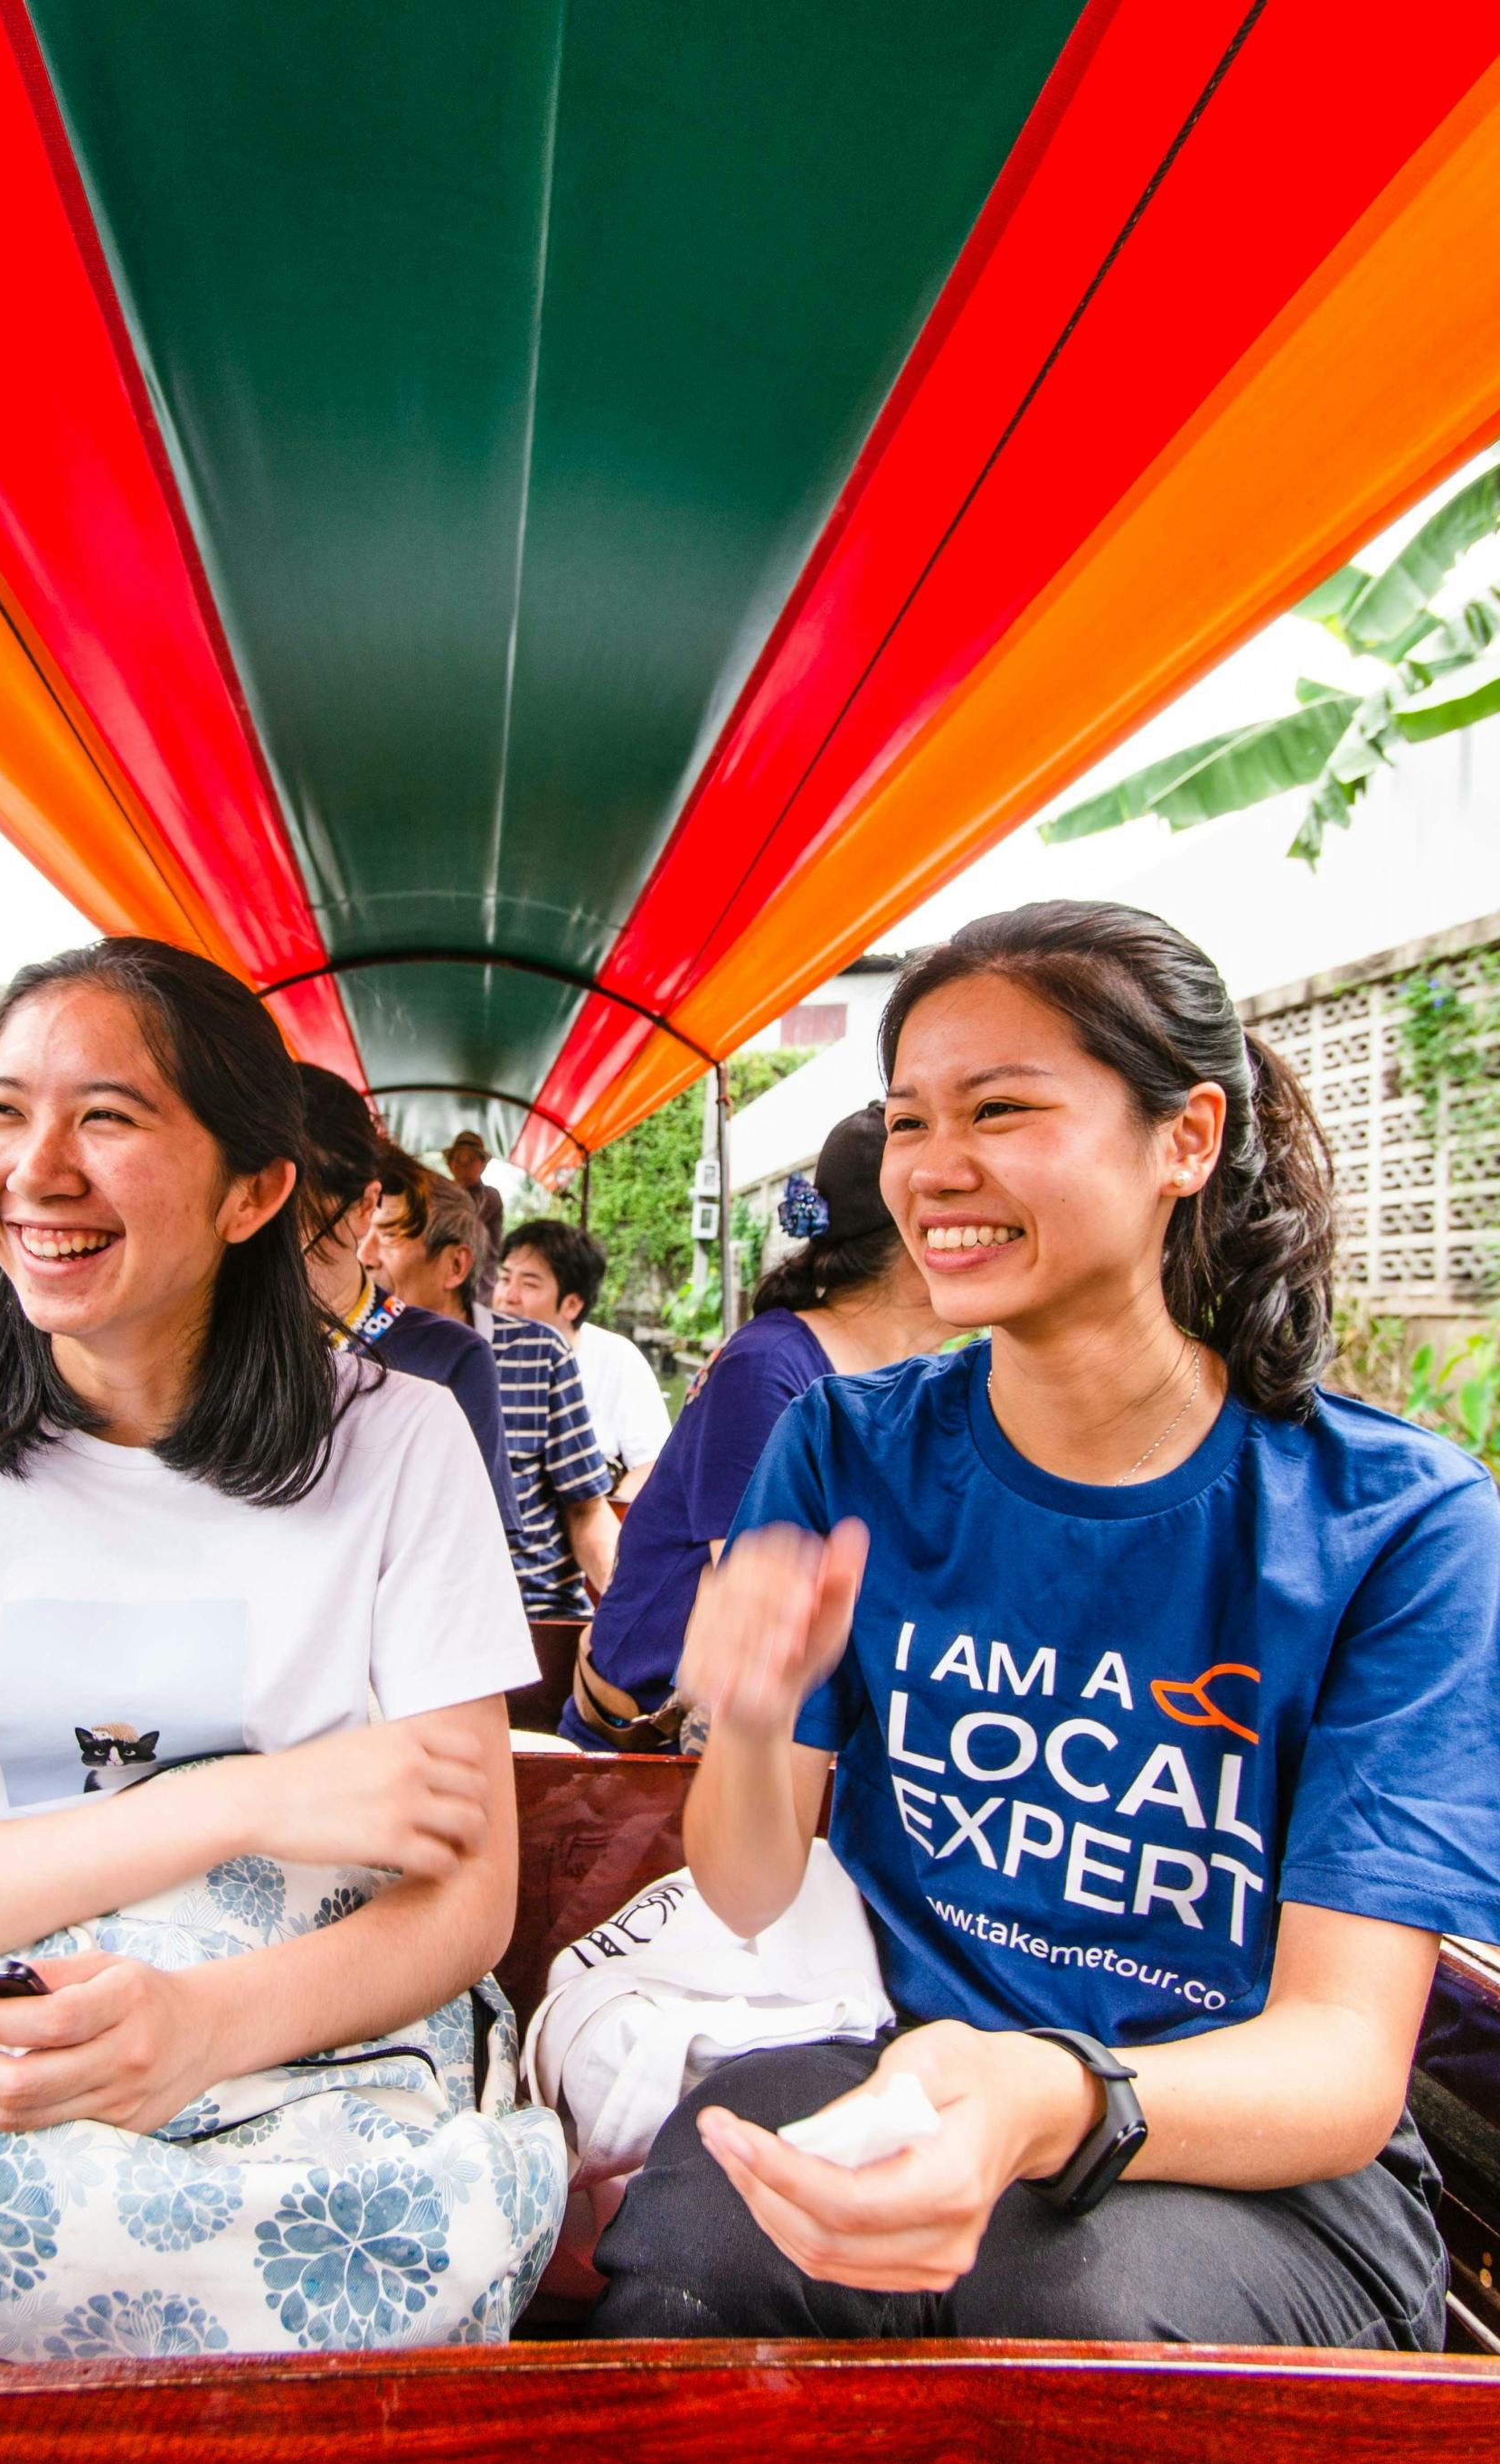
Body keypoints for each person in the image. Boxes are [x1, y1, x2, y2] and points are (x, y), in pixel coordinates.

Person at [590, 898, 1500, 2353]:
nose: (935, 1170)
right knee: (699, 2242)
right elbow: (753, 1889)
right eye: (906, 1123)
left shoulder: (1396, 1523)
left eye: (1002, 1109)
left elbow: (1340, 2063)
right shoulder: (843, 1449)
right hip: (911, 2074)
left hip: (1235, 2155)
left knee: (1067, 2308)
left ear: (1185, 1141)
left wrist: (1052, 2097)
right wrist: (753, 1716)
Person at [0, 938, 561, 2379]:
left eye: (106, 1117)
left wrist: (203, 2030)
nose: (37, 1169)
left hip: (313, 2067)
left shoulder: (397, 1441)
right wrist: (236, 1802)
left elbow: (468, 1901)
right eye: (2, 1110)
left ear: (255, 1190)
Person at [561, 1105, 953, 1752]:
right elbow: (757, 1626)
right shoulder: (768, 1367)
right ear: (915, 1238)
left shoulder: (929, 1381)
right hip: (658, 1758)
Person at [363, 1165, 617, 1617]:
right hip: (400, 1615)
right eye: (364, 1234)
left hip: (532, 1615)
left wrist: (622, 1616)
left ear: (456, 1265)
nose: (367, 1256)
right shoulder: (353, 1358)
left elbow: (586, 1511)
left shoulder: (539, 1354)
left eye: (389, 1237)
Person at [288, 1061, 522, 1540]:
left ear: (361, 1207)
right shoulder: (190, 1337)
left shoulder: (450, 1357)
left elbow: (471, 1552)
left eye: (291, 1213)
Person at [494, 1218, 670, 1498]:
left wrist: (605, 1521)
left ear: (572, 1305)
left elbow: (651, 1465)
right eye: (504, 1279)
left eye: (528, 1284)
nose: (507, 1296)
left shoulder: (618, 1359)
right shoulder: (476, 1356)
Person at [444, 1129, 504, 1303]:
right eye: (457, 1159)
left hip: (480, 1283)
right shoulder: (441, 1193)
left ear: (482, 1165)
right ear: (450, 1164)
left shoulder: (490, 1197)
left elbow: (463, 1224)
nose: (462, 1164)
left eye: (470, 1159)